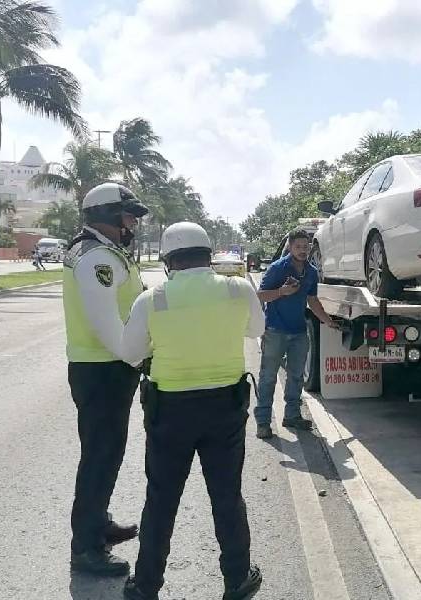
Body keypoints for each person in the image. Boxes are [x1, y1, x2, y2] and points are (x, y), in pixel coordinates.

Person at [120, 222, 265, 600]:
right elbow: (256, 329)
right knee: (227, 496)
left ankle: (146, 585)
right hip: (225, 409)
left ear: (168, 260)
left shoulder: (153, 299)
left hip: (170, 411)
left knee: (161, 499)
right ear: (208, 253)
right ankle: (237, 580)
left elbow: (131, 353)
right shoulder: (238, 288)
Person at [63, 182, 149, 576]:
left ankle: (99, 523)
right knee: (99, 457)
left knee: (108, 452)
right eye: (129, 215)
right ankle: (86, 548)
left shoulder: (105, 252)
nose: (133, 223)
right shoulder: (95, 257)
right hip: (102, 369)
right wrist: (141, 359)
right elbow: (106, 327)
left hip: (108, 368)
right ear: (109, 216)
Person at [254, 228, 338, 440]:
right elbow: (260, 296)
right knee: (268, 378)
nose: (302, 250)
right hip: (275, 331)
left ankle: (292, 415)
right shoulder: (277, 269)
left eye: (305, 246)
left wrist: (328, 321)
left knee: (296, 377)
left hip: (299, 332)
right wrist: (281, 291)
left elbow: (312, 300)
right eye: (298, 246)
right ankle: (263, 422)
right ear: (290, 247)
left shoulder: (311, 271)